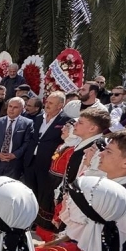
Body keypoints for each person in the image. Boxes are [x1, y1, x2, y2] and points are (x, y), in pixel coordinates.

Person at [24, 91, 72, 222]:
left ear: (60, 105)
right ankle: (27, 216)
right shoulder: (39, 118)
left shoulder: (66, 120)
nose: (47, 105)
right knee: (29, 189)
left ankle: (38, 219)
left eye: (51, 103)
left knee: (43, 192)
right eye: (47, 102)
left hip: (47, 162)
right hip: (31, 160)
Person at [0, 97, 34, 179]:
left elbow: (27, 142)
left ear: (22, 109)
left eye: (15, 107)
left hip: (14, 163)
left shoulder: (27, 123)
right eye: (10, 106)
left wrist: (14, 155)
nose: (11, 109)